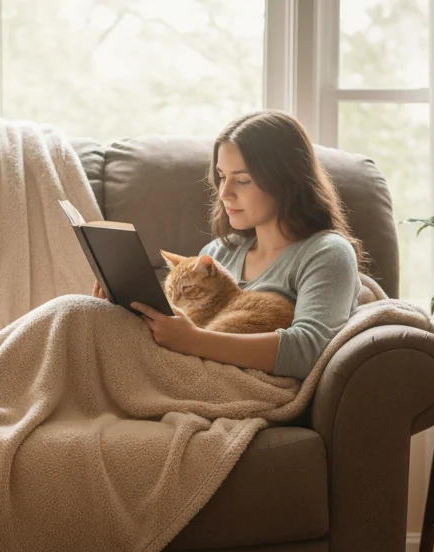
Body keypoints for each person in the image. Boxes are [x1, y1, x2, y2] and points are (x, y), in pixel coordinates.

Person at [97, 110, 363, 380]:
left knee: (73, 316)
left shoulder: (326, 252)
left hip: (249, 386)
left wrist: (195, 340)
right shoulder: (218, 252)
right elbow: (173, 336)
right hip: (187, 371)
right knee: (83, 313)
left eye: (243, 180)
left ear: (285, 180)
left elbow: (308, 351)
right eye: (222, 177)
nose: (224, 193)